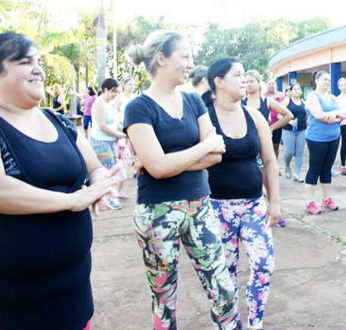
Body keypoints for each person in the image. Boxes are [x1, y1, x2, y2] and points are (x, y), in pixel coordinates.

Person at [0, 31, 119, 330]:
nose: (38, 68)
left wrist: (102, 184)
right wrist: (72, 200)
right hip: (17, 302)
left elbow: (94, 167)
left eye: (38, 60)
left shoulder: (60, 122)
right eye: (25, 62)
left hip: (74, 290)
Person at [124, 30, 240, 330]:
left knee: (224, 290)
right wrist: (200, 149)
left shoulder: (192, 101)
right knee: (164, 300)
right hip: (157, 214)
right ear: (161, 58)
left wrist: (163, 161)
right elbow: (163, 166)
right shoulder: (138, 107)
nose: (191, 63)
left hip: (200, 205)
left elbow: (218, 154)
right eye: (185, 56)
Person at [202, 57, 281, 330]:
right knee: (225, 273)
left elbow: (269, 161)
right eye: (237, 75)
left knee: (263, 265)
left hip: (254, 205)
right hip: (216, 208)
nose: (244, 80)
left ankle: (255, 322)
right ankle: (228, 323)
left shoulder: (254, 115)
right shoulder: (204, 116)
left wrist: (274, 202)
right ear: (219, 81)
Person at [304, 70, 346, 215]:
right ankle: (309, 202)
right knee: (314, 169)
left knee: (327, 169)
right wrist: (336, 116)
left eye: (329, 80)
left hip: (333, 138)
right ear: (316, 81)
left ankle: (327, 199)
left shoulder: (332, 98)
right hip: (317, 139)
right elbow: (319, 116)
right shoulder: (312, 96)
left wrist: (334, 115)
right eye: (325, 80)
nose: (328, 83)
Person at [90, 78, 125, 210]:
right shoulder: (99, 103)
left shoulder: (110, 103)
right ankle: (110, 197)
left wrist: (118, 132)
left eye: (117, 92)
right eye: (113, 91)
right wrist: (118, 135)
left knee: (114, 168)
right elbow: (102, 126)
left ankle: (110, 195)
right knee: (107, 170)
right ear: (105, 90)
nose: (115, 94)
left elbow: (113, 122)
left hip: (111, 141)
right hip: (100, 141)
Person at [242, 71, 292, 160]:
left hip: (263, 141)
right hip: (245, 141)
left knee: (264, 169)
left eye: (251, 81)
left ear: (259, 83)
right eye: (246, 82)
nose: (248, 84)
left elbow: (288, 115)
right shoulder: (240, 102)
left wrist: (272, 128)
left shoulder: (267, 101)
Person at [281, 83, 307, 183]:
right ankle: (287, 166)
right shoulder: (287, 101)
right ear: (291, 91)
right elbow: (279, 114)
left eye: (299, 89)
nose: (297, 91)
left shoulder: (304, 102)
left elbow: (306, 116)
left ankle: (297, 174)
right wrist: (289, 121)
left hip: (302, 130)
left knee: (299, 153)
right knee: (289, 152)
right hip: (288, 130)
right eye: (295, 89)